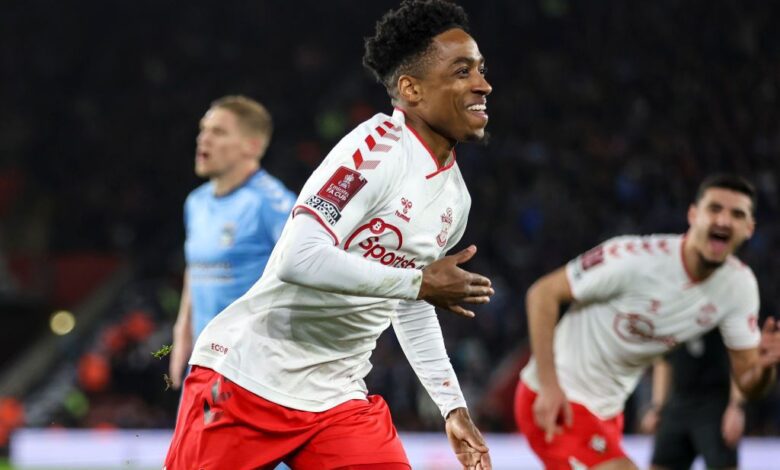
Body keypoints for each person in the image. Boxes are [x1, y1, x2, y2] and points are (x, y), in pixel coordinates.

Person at [164, 1, 494, 469]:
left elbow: (412, 304)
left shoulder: (455, 200)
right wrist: (418, 282)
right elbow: (299, 256)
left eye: (481, 69)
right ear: (411, 88)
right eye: (462, 71)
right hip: (246, 380)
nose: (483, 84)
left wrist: (452, 406)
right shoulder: (373, 150)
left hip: (336, 399)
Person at [514, 174, 780, 470]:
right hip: (554, 400)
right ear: (693, 214)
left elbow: (748, 381)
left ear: (749, 228)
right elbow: (542, 293)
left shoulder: (738, 287)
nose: (724, 220)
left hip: (606, 414)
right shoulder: (633, 259)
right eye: (714, 209)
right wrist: (550, 386)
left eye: (737, 214)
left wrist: (766, 368)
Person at [168, 95, 296, 390]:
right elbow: (195, 269)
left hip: (255, 374)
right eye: (203, 130)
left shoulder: (273, 204)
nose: (203, 139)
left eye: (218, 132)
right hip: (205, 366)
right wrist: (182, 334)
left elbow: (308, 271)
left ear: (252, 145)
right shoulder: (196, 202)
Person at [640, 329, 746, 470]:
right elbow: (663, 361)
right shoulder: (672, 314)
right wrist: (657, 407)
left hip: (716, 406)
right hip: (677, 403)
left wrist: (735, 406)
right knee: (660, 465)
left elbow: (740, 358)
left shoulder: (721, 312)